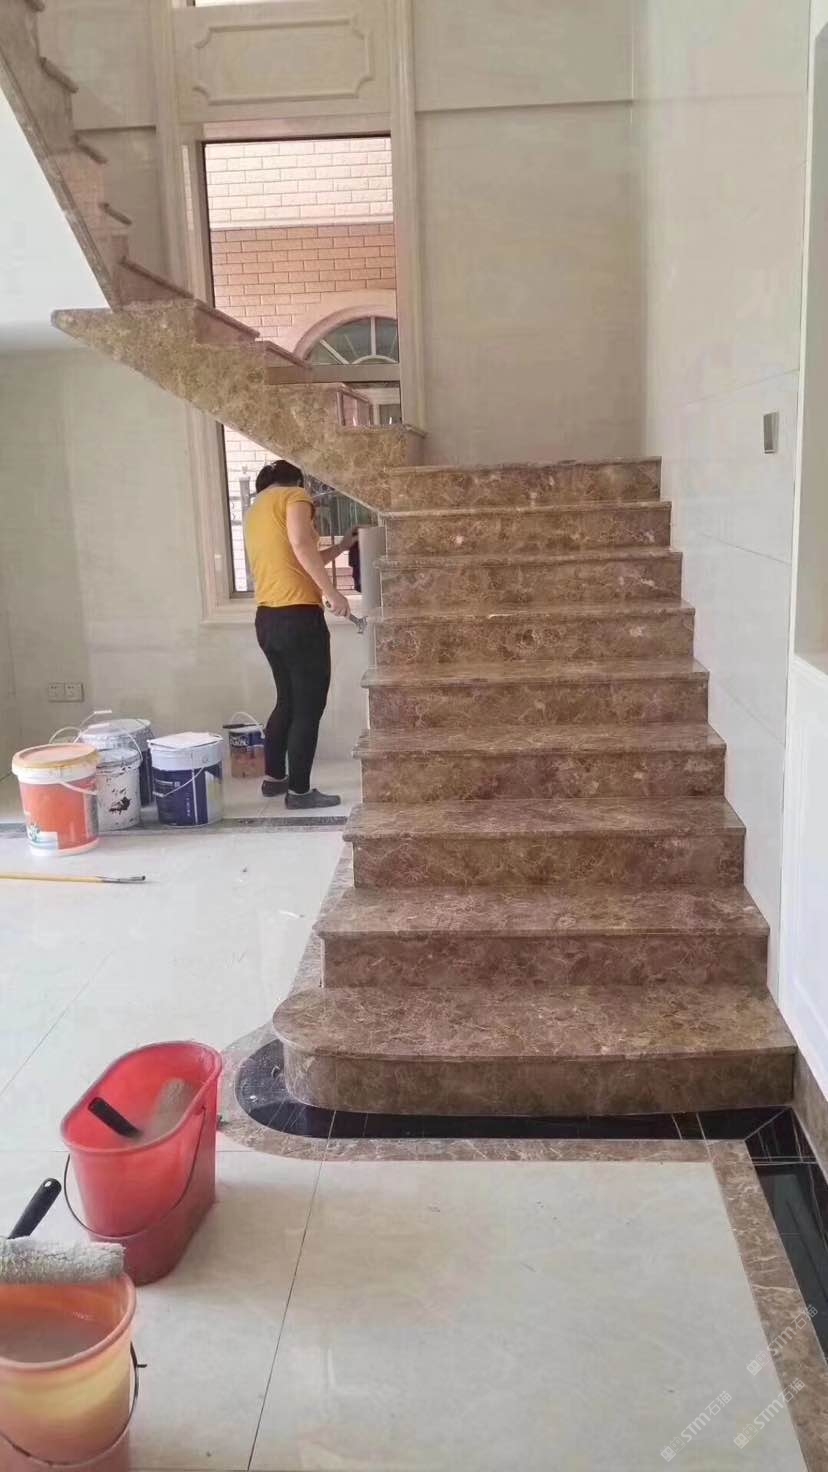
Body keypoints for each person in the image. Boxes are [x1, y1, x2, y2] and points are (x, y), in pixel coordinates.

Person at [244, 459, 356, 809]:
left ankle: (274, 779)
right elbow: (301, 544)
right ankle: (300, 792)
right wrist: (333, 593)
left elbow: (296, 557)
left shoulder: (256, 509)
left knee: (287, 701)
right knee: (308, 706)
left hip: (268, 619)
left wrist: (341, 547)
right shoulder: (294, 496)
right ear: (296, 480)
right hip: (299, 618)